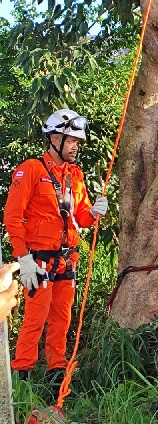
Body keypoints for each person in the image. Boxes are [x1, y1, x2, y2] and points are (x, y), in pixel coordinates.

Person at [4, 109, 108, 389]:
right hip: (38, 259)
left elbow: (82, 217)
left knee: (62, 319)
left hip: (66, 260)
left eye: (77, 141)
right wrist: (23, 258)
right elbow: (12, 217)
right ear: (54, 139)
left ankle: (56, 371)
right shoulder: (32, 170)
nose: (76, 146)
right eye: (71, 140)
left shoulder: (74, 175)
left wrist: (95, 212)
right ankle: (21, 374)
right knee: (35, 318)